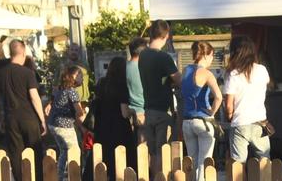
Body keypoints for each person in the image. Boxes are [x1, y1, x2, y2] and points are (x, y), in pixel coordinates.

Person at [0, 37, 46, 169]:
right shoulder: (28, 73)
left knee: (16, 154)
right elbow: (34, 97)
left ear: (10, 53)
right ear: (23, 53)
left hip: (11, 118)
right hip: (29, 118)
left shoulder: (0, 73)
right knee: (36, 153)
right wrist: (42, 120)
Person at [224, 35, 271, 164]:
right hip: (260, 123)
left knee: (238, 164)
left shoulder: (233, 74)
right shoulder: (262, 70)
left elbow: (229, 105)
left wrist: (229, 116)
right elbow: (266, 85)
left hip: (240, 123)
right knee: (264, 161)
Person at [178, 41, 223, 173]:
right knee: (204, 163)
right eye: (212, 55)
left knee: (192, 162)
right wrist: (212, 112)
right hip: (203, 121)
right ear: (206, 55)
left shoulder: (185, 70)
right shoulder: (207, 74)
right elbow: (219, 97)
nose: (212, 59)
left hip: (186, 122)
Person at [139, 21, 179, 156]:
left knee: (153, 153)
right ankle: (164, 178)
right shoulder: (163, 57)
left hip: (148, 110)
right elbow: (179, 80)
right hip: (163, 111)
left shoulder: (143, 56)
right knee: (164, 152)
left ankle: (156, 177)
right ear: (166, 35)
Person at [45, 62, 87, 181]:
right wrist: (86, 113)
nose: (82, 78)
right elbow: (79, 111)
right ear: (74, 76)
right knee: (75, 151)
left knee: (64, 151)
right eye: (80, 75)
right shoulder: (72, 92)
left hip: (53, 124)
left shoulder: (60, 89)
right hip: (64, 126)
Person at [92, 56, 135, 155]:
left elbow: (95, 102)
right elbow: (124, 113)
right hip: (119, 128)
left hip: (102, 126)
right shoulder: (121, 85)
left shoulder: (101, 83)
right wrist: (132, 111)